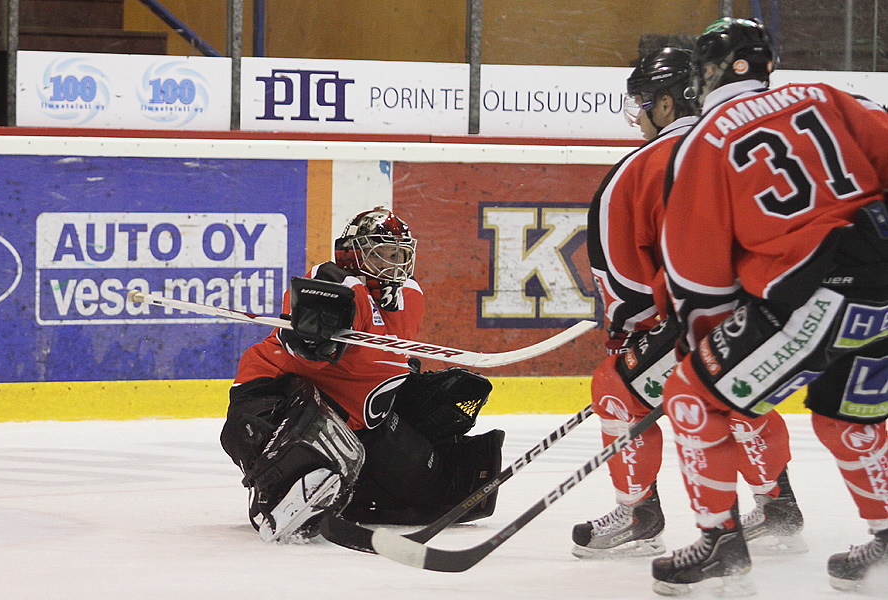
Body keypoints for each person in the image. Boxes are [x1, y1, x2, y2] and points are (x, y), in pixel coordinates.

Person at [653, 17, 888, 595]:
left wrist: (700, 342)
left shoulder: (704, 141)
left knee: (689, 395)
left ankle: (720, 543)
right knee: (844, 412)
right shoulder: (828, 96)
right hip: (881, 280)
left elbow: (694, 270)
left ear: (707, 74)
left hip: (818, 290)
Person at [572, 45, 803, 560]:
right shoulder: (742, 142)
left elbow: (625, 284)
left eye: (646, 102)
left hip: (695, 312)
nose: (639, 116)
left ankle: (637, 512)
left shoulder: (641, 167)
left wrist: (627, 329)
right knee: (735, 385)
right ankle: (776, 504)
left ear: (670, 104)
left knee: (616, 384)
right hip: (778, 308)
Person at [220, 207, 505, 543]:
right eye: (384, 252)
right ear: (354, 253)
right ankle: (279, 490)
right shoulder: (336, 283)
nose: (395, 261)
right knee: (310, 432)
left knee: (437, 491)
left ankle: (345, 494)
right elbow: (303, 343)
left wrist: (413, 387)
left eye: (401, 253)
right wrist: (314, 332)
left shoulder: (410, 296)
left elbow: (392, 357)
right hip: (278, 396)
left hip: (358, 420)